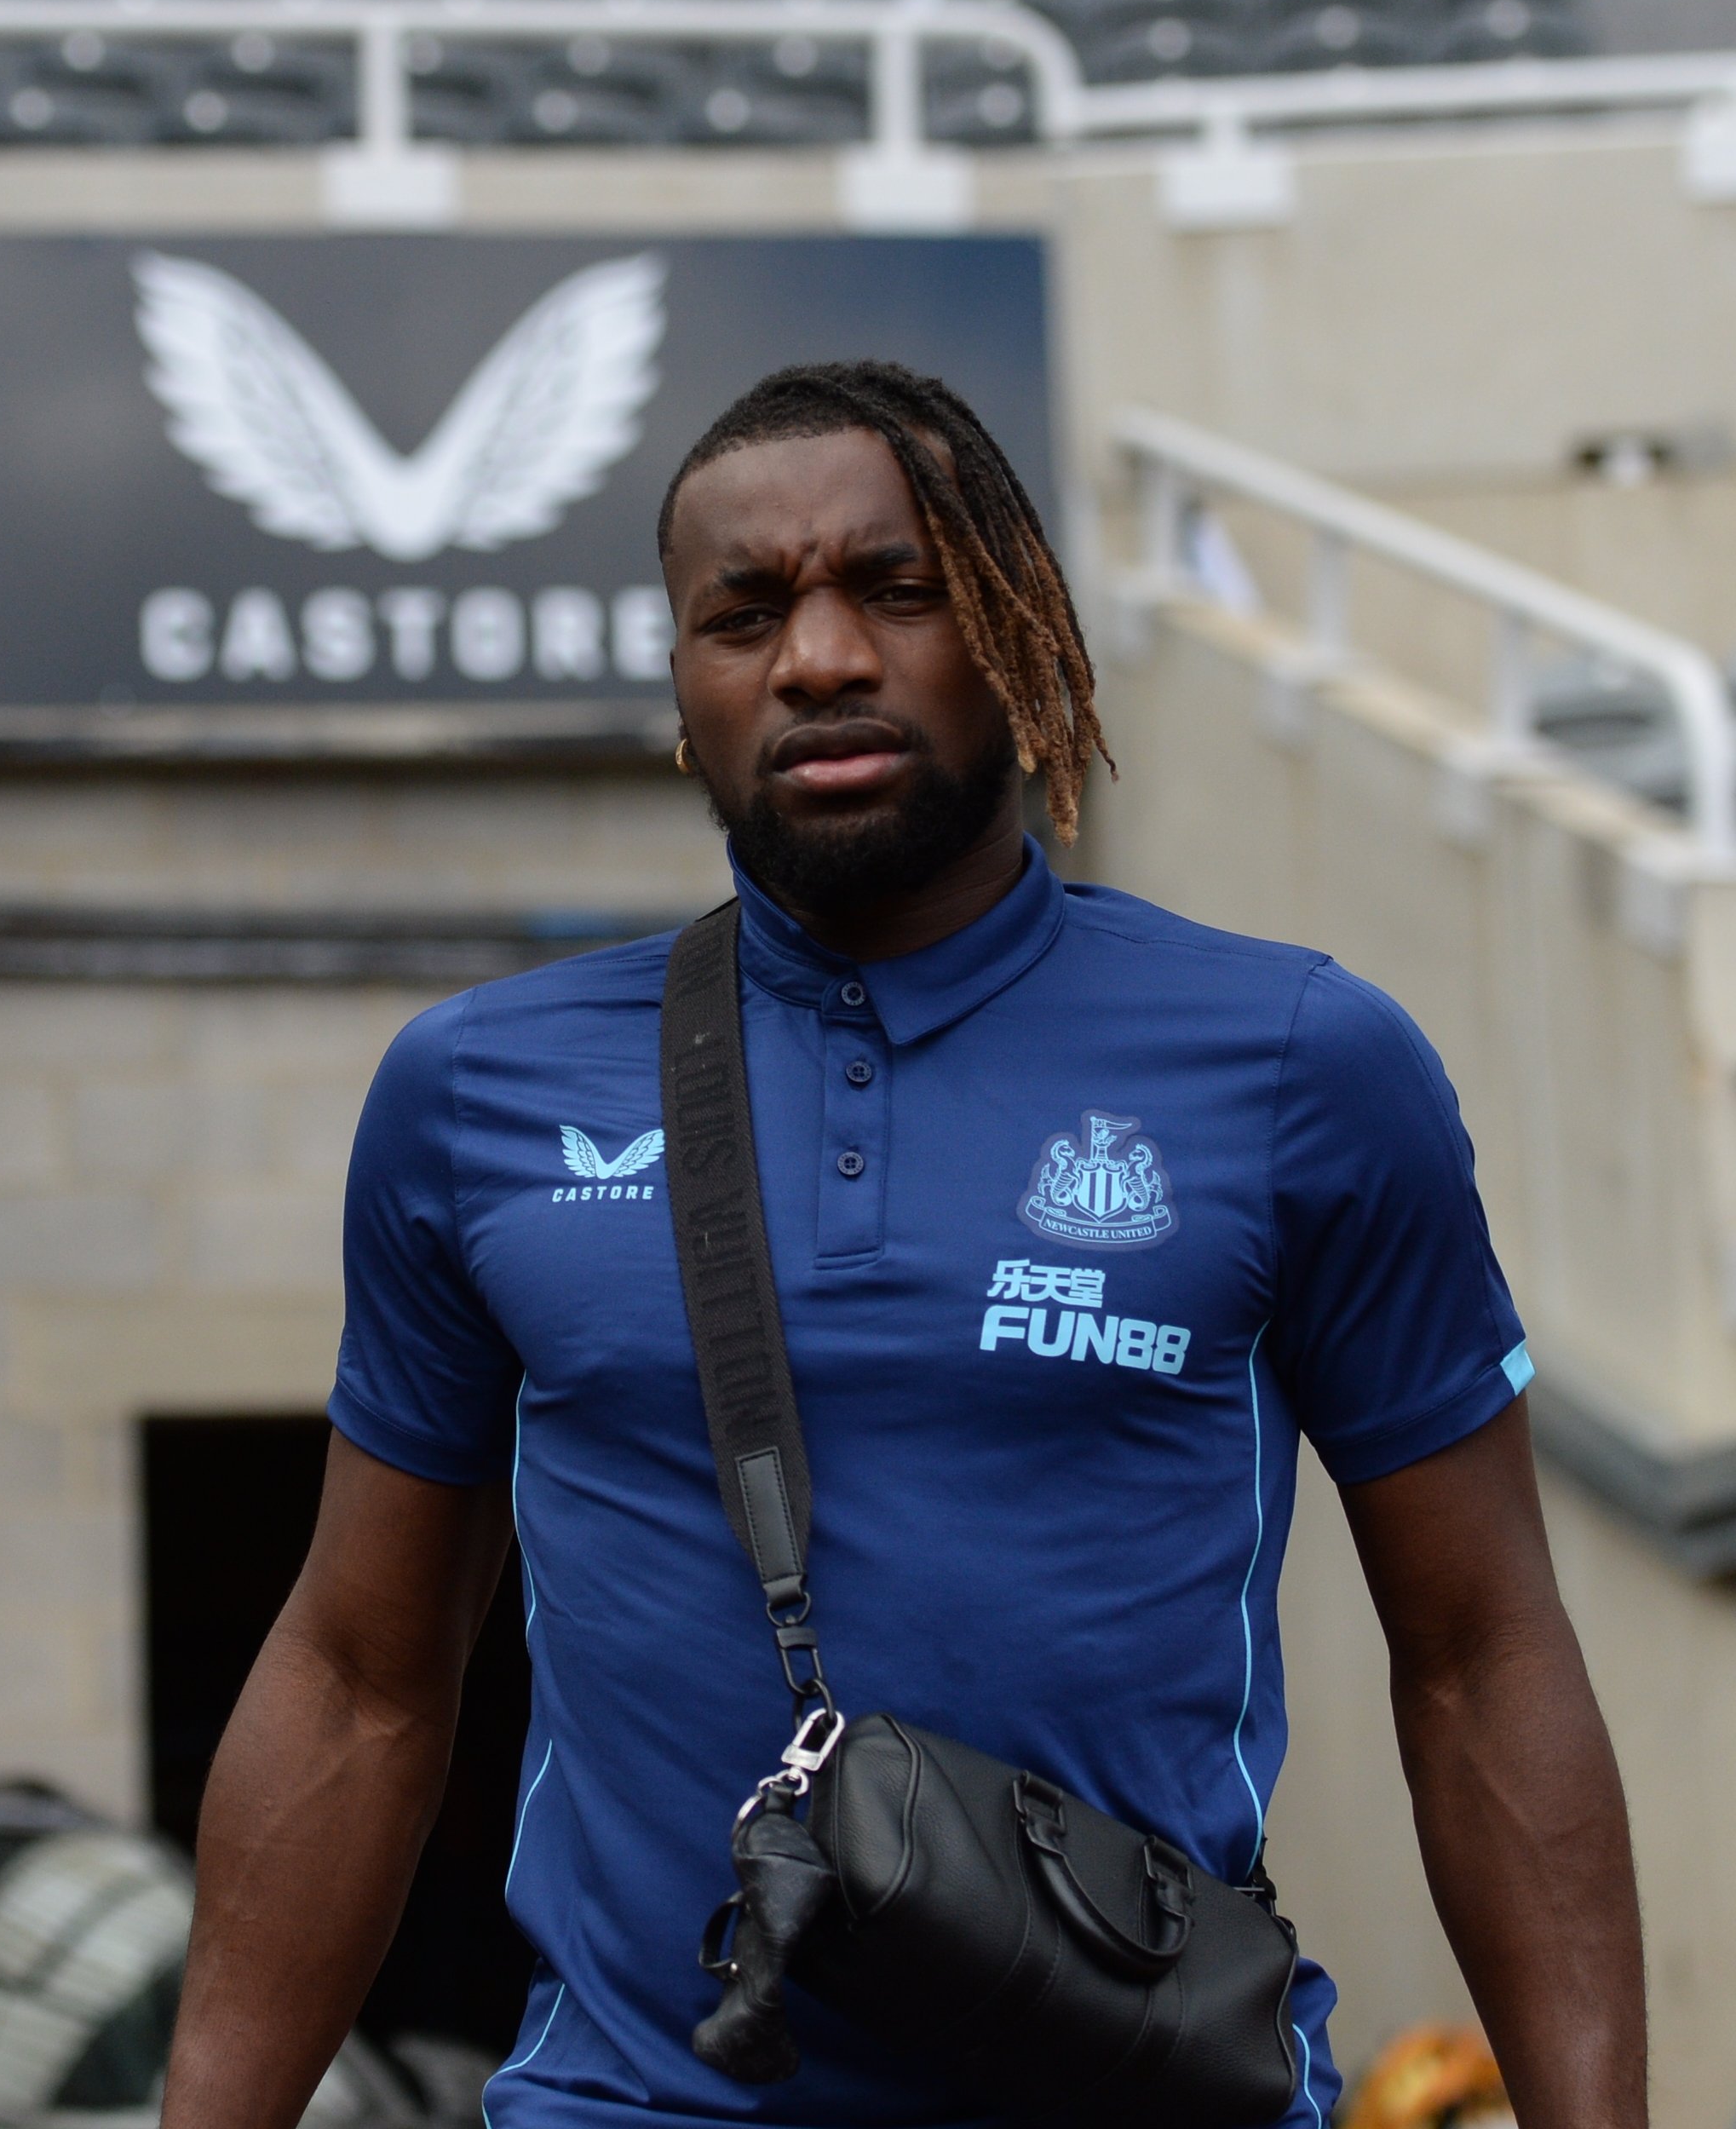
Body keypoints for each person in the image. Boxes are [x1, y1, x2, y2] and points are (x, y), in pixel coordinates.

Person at [164, 360, 1647, 2129]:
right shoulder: (476, 1091)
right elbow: (357, 1680)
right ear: (684, 687)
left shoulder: (1295, 1064)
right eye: (743, 613)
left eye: (895, 587)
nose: (816, 657)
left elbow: (1482, 1653)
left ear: (1022, 635)